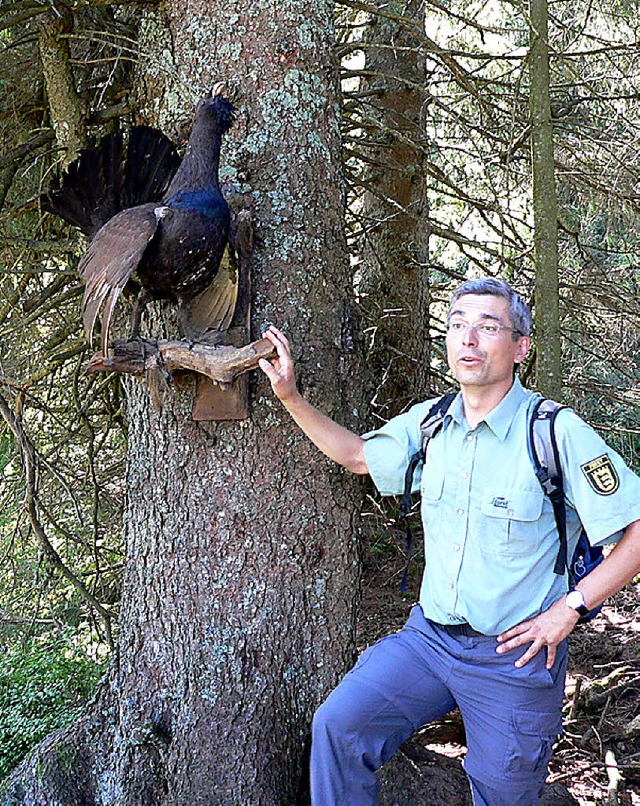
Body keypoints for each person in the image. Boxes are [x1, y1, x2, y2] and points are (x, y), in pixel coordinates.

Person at [259, 277, 640, 806]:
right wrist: (290, 396)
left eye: (488, 328)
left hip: (515, 655)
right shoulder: (431, 422)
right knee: (340, 727)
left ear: (520, 347)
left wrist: (571, 609)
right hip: (428, 641)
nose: (469, 340)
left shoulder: (556, 432)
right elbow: (359, 457)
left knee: (503, 797)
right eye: (458, 325)